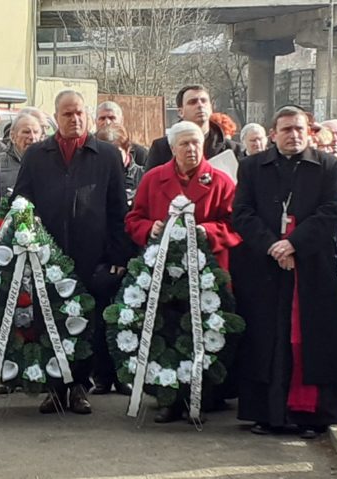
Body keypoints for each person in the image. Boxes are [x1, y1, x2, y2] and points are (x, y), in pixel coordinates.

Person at [12, 90, 130, 414]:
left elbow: (119, 210)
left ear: (87, 116)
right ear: (56, 118)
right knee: (48, 321)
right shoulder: (37, 155)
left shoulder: (105, 155)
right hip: (47, 257)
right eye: (67, 114)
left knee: (84, 323)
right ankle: (55, 388)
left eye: (79, 113)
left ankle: (79, 387)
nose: (74, 119)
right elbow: (21, 203)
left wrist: (118, 259)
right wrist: (28, 237)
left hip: (92, 257)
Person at [232, 106, 337, 439]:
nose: (293, 135)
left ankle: (309, 415)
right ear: (273, 134)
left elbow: (330, 212)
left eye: (299, 129)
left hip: (311, 267)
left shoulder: (328, 166)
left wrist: (294, 244)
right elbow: (242, 213)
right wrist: (272, 245)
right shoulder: (253, 167)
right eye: (286, 130)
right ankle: (266, 414)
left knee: (307, 339)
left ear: (309, 131)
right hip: (264, 268)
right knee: (266, 338)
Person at [125, 121, 241, 422]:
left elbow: (236, 224)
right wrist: (151, 228)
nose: (191, 149)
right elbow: (134, 219)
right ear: (172, 148)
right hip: (164, 275)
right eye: (184, 144)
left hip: (208, 273)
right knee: (168, 330)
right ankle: (169, 397)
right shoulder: (153, 180)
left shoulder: (220, 181)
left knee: (204, 331)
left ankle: (204, 395)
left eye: (195, 144)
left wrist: (206, 231)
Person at [145, 85, 242, 171]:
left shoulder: (232, 149)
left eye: (204, 101)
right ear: (180, 112)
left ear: (211, 107)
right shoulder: (162, 147)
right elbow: (150, 186)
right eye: (192, 102)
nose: (200, 105)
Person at [95, 124, 144, 205]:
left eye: (116, 153)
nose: (110, 159)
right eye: (104, 154)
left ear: (128, 149)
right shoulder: (90, 178)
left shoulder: (143, 177)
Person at [0, 113, 42, 196]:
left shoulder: (48, 163)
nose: (32, 137)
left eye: (36, 132)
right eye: (26, 132)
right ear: (13, 136)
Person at [95, 101, 149, 166]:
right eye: (102, 118)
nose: (107, 122)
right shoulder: (87, 150)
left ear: (121, 120)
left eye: (112, 118)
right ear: (96, 121)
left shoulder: (140, 155)